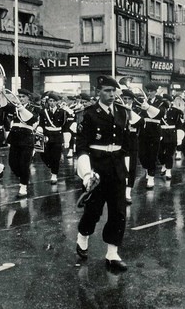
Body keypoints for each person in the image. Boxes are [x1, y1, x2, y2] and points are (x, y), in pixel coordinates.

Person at [75, 75, 138, 272]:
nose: (112, 95)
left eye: (114, 91)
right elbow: (82, 147)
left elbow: (126, 144)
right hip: (97, 169)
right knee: (93, 211)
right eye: (107, 91)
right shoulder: (88, 114)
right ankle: (83, 236)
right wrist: (86, 174)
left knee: (118, 212)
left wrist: (127, 171)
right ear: (98, 92)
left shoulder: (122, 113)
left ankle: (112, 253)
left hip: (117, 167)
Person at [2, 88, 39, 197]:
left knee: (24, 164)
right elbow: (3, 106)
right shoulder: (15, 107)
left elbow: (31, 119)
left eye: (23, 97)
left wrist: (21, 108)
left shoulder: (35, 108)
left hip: (26, 138)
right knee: (12, 163)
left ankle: (23, 186)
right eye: (20, 97)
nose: (21, 99)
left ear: (29, 98)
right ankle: (24, 177)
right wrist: (1, 93)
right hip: (15, 137)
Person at [37, 92, 70, 184]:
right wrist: (39, 132)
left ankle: (54, 175)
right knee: (43, 154)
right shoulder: (43, 111)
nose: (51, 103)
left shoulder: (63, 112)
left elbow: (65, 126)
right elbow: (41, 124)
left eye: (53, 101)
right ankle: (52, 166)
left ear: (57, 102)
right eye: (50, 101)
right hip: (47, 135)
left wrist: (66, 140)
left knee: (56, 156)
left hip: (57, 136)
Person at [137, 83, 165, 189]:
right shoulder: (143, 101)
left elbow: (160, 114)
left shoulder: (161, 102)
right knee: (142, 154)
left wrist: (148, 107)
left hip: (155, 131)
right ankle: (147, 169)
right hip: (144, 131)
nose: (149, 93)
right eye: (148, 91)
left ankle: (151, 176)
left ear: (155, 92)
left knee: (152, 155)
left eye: (151, 91)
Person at [159, 94, 184, 177]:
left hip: (171, 133)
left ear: (170, 102)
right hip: (161, 132)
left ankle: (168, 170)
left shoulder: (176, 111)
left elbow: (179, 124)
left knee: (169, 153)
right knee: (160, 153)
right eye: (163, 101)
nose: (164, 102)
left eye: (166, 100)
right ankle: (163, 165)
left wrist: (179, 136)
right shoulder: (159, 110)